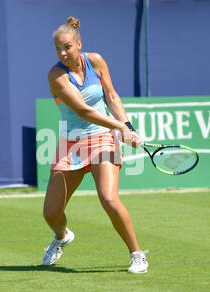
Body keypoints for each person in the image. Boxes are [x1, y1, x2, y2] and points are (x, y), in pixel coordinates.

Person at [42, 16, 148, 274]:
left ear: (78, 44)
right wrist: (120, 127)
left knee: (109, 198)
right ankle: (62, 236)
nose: (63, 53)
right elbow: (82, 109)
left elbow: (111, 95)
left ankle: (137, 255)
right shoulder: (56, 76)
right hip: (71, 143)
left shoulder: (96, 61)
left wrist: (128, 126)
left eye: (67, 47)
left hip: (102, 139)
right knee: (51, 213)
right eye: (58, 48)